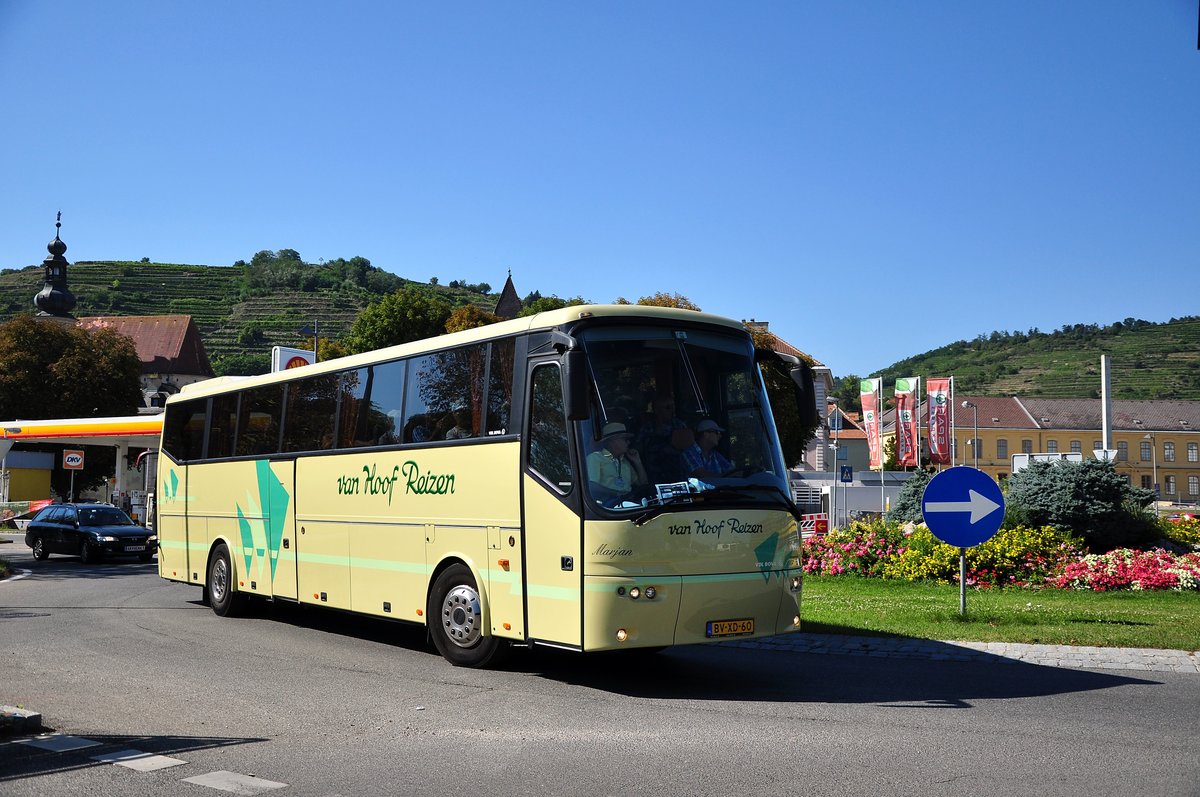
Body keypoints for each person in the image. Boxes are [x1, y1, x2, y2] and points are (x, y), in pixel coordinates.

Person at [586, 422, 647, 504]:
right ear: (613, 441)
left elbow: (643, 484)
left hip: (629, 503)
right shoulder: (594, 458)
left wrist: (638, 462)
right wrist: (616, 493)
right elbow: (591, 485)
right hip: (608, 507)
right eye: (625, 439)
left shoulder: (625, 462)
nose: (628, 442)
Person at [635, 395, 691, 483]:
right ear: (657, 410)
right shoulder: (647, 427)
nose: (672, 410)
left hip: (678, 473)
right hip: (654, 474)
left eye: (673, 407)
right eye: (668, 407)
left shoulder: (679, 425)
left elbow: (688, 448)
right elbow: (638, 449)